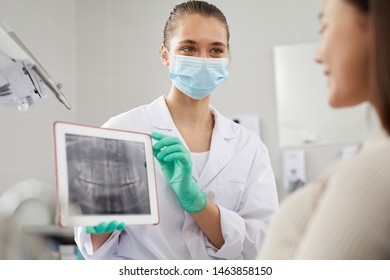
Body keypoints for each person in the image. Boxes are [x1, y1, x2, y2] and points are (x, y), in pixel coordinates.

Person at [74, 0, 278, 260]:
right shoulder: (121, 131)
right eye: (189, 48)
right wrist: (96, 226)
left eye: (216, 50)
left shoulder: (248, 147)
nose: (203, 60)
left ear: (227, 58)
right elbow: (91, 246)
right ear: (165, 55)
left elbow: (262, 243)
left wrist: (197, 202)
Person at [258, 0, 390, 259]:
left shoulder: (375, 170)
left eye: (325, 27)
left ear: (377, 22)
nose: (318, 54)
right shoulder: (373, 154)